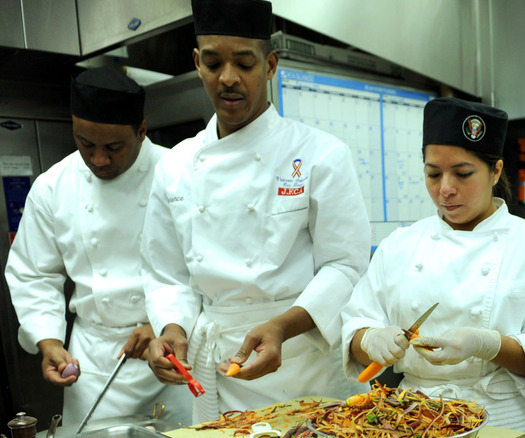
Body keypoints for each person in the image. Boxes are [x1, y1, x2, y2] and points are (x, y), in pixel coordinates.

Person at [141, 0, 371, 423]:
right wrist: (172, 331)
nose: (227, 78)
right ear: (197, 63)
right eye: (213, 63)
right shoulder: (174, 165)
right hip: (219, 367)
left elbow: (346, 264)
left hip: (302, 361)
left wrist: (282, 327)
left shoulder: (321, 155)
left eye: (244, 63)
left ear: (269, 65)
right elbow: (166, 273)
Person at [342, 97, 525, 437]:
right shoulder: (400, 245)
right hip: (412, 418)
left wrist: (489, 344)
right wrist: (370, 340)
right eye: (433, 174)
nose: (445, 189)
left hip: (505, 421)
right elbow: (355, 330)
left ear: (495, 171)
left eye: (463, 173)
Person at [5, 66, 191, 425]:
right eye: (85, 144)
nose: (99, 159)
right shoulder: (53, 186)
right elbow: (32, 273)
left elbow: (208, 268)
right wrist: (49, 343)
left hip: (172, 354)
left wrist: (168, 323)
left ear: (141, 130)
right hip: (93, 362)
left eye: (113, 147)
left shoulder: (180, 172)